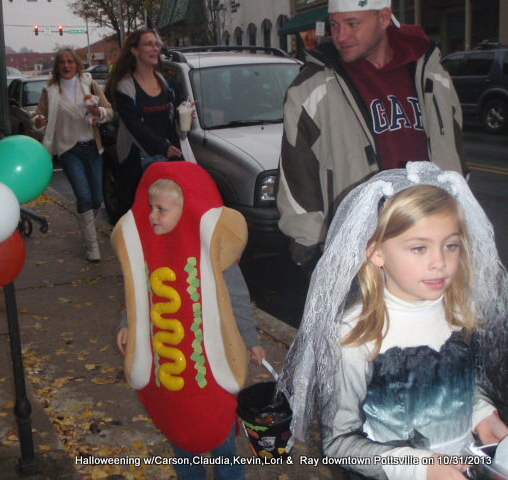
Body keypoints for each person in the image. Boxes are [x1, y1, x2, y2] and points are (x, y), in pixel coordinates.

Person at [277, 162, 508, 480]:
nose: (439, 262)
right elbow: (340, 443)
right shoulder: (357, 335)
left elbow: (458, 388)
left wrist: (482, 416)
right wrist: (420, 467)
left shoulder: (458, 312)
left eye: (451, 245)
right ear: (377, 253)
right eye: (418, 248)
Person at [277, 0, 465, 267]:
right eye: (334, 25)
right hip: (359, 248)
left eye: (353, 24)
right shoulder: (312, 87)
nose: (341, 36)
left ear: (384, 19)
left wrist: (460, 216)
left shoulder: (432, 74)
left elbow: (455, 152)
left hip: (432, 242)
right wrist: (309, 248)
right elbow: (296, 175)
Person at [111, 161, 266, 480]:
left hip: (211, 370)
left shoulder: (213, 252)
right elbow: (138, 293)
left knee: (221, 440)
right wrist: (127, 322)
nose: (152, 216)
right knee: (181, 439)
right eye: (151, 208)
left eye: (161, 210)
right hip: (171, 377)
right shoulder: (149, 251)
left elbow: (237, 299)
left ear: (188, 210)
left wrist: (250, 340)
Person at [33, 48, 113, 262]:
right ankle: (91, 245)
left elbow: (110, 111)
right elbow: (38, 117)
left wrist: (99, 113)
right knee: (84, 196)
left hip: (93, 148)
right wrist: (39, 122)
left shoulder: (90, 85)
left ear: (77, 65)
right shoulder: (50, 91)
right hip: (68, 150)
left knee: (97, 197)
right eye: (62, 62)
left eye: (70, 62)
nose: (66, 66)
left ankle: (87, 225)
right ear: (57, 67)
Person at [105, 29, 183, 219]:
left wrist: (186, 114)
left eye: (157, 44)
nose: (155, 48)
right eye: (148, 44)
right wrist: (162, 146)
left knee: (166, 216)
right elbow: (134, 127)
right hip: (137, 159)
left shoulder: (164, 82)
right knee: (140, 215)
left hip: (165, 157)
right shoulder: (125, 86)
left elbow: (169, 120)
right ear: (134, 50)